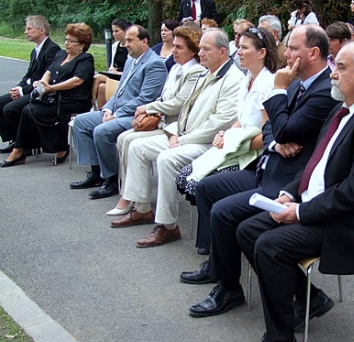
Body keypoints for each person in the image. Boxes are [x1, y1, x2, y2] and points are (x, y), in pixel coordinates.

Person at [230, 40, 354, 342]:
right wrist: (290, 194)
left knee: (270, 246)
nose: (333, 74)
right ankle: (310, 299)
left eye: (341, 68)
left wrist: (300, 212)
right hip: (321, 206)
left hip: (352, 222)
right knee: (248, 230)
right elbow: (316, 165)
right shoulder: (344, 109)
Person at [180, 25, 338, 319]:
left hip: (289, 180)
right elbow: (270, 127)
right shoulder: (296, 83)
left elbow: (285, 127)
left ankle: (230, 289)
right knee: (208, 187)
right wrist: (276, 142)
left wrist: (278, 94)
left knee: (225, 213)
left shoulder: (323, 90)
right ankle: (217, 268)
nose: (286, 54)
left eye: (293, 48)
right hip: (269, 165)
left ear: (314, 53)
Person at [109, 29, 244, 249]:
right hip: (185, 136)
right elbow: (185, 110)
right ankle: (142, 209)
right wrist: (174, 132)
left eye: (206, 49)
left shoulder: (233, 79)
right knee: (137, 147)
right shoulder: (206, 72)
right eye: (200, 48)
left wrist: (183, 139)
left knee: (167, 159)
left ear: (222, 52)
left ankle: (168, 226)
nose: (200, 53)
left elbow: (220, 122)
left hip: (210, 144)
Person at [175, 27, 278, 209]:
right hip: (237, 146)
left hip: (253, 157)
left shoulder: (268, 84)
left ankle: (215, 219)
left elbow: (268, 135)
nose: (238, 52)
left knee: (202, 183)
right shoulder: (247, 79)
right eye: (239, 47)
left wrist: (234, 142)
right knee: (185, 176)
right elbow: (241, 120)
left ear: (262, 53)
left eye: (244, 48)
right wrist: (226, 134)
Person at [107, 25, 205, 215]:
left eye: (179, 47)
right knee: (123, 138)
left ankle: (136, 201)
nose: (173, 51)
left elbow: (178, 104)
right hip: (163, 122)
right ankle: (131, 194)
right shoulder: (176, 68)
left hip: (175, 126)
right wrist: (151, 108)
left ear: (193, 51)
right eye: (173, 46)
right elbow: (164, 96)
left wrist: (148, 108)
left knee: (131, 142)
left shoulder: (195, 71)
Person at [70, 25, 167, 199]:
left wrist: (117, 114)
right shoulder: (131, 60)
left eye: (130, 40)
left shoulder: (155, 64)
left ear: (144, 41)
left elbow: (145, 99)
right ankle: (97, 173)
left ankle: (112, 179)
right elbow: (119, 91)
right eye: (126, 40)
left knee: (101, 131)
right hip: (117, 112)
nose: (126, 44)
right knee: (81, 122)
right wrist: (107, 109)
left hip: (136, 116)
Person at [0, 23, 95, 167]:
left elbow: (77, 81)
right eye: (66, 39)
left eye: (71, 41)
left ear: (82, 45)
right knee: (27, 109)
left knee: (35, 111)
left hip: (73, 99)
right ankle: (21, 148)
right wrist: (43, 82)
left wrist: (52, 88)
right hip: (54, 96)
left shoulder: (85, 59)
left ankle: (58, 147)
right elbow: (49, 71)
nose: (66, 43)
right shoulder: (61, 54)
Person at [0, 15, 60, 153]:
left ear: (41, 30)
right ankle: (15, 140)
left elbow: (45, 79)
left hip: (41, 92)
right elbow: (28, 76)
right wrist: (18, 88)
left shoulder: (52, 50)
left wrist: (23, 91)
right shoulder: (35, 51)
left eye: (29, 29)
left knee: (10, 109)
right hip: (29, 89)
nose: (26, 32)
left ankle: (24, 145)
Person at [91, 18, 132, 110]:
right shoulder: (115, 46)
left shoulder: (130, 47)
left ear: (125, 31)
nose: (114, 34)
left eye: (117, 31)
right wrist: (111, 70)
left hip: (124, 77)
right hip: (114, 76)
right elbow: (112, 64)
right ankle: (101, 111)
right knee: (102, 87)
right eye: (113, 31)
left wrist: (118, 73)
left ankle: (91, 102)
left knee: (98, 77)